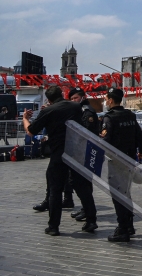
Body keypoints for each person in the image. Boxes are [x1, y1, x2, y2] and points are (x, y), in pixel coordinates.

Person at [23, 86, 82, 236]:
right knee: (82, 186)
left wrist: (25, 118)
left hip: (58, 154)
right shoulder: (75, 106)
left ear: (48, 99)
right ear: (62, 94)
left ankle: (53, 226)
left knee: (55, 190)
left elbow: (30, 131)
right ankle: (91, 219)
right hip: (76, 152)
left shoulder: (48, 111)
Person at [101, 88, 142, 242]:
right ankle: (130, 225)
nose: (106, 101)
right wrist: (141, 152)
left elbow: (105, 142)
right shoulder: (130, 115)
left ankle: (122, 229)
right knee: (126, 191)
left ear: (111, 100)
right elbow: (139, 135)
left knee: (118, 194)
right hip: (130, 158)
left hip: (116, 161)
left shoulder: (109, 118)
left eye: (106, 99)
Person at [65, 87, 99, 232]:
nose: (74, 101)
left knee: (82, 184)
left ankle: (90, 215)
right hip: (78, 154)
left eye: (75, 98)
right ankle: (86, 209)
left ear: (82, 97)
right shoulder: (78, 111)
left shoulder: (87, 112)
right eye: (71, 99)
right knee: (80, 184)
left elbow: (86, 134)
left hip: (85, 154)